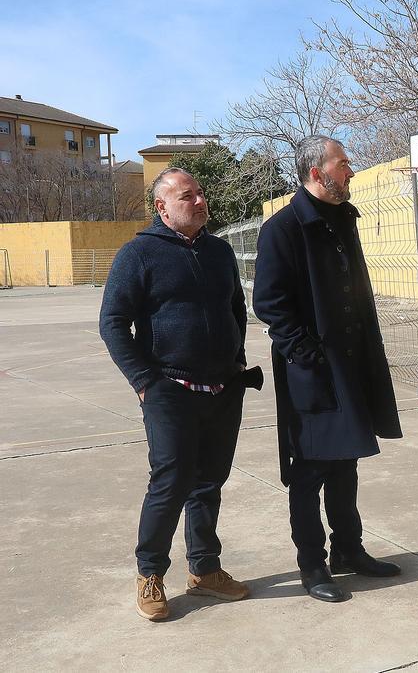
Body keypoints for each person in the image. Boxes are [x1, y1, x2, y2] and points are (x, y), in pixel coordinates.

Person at [100, 167, 259, 620]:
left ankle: (205, 571)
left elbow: (236, 311)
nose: (200, 201)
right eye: (188, 196)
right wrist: (144, 381)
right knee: (170, 483)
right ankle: (150, 572)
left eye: (201, 193)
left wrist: (234, 362)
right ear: (162, 206)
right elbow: (113, 323)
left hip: (223, 387)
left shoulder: (220, 251)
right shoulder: (139, 253)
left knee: (209, 482)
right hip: (169, 386)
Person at [253, 135, 403, 603]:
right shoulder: (283, 229)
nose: (351, 171)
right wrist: (308, 355)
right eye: (343, 164)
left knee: (346, 463)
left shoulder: (343, 219)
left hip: (352, 365)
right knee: (310, 470)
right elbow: (270, 304)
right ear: (317, 173)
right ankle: (313, 564)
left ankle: (348, 551)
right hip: (313, 373)